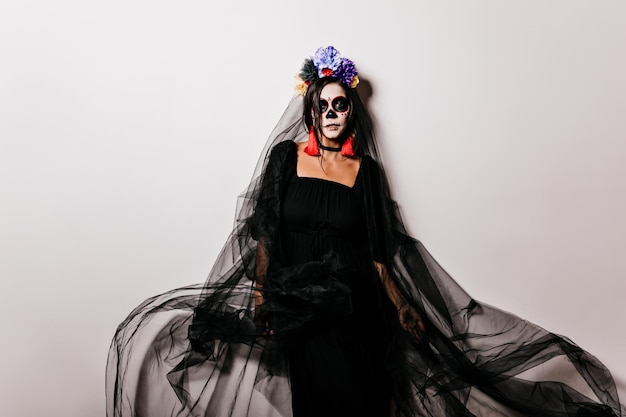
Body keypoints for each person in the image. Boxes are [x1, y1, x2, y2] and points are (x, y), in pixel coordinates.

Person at [106, 46, 625, 417]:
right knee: (319, 402)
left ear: (351, 110)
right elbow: (264, 233)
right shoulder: (286, 160)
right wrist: (263, 294)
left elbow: (379, 253)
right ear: (311, 109)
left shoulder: (366, 174)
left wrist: (401, 304)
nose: (333, 114)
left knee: (369, 401)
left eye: (341, 105)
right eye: (324, 105)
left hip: (362, 313)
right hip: (305, 314)